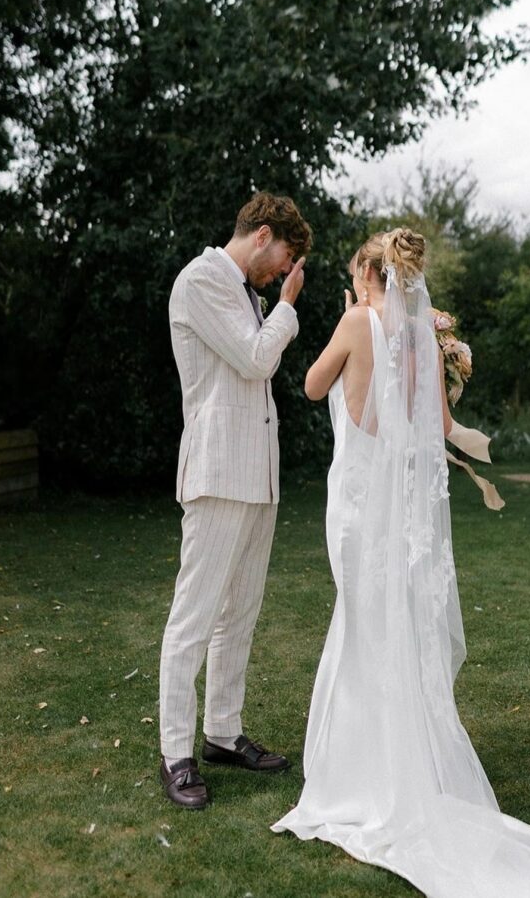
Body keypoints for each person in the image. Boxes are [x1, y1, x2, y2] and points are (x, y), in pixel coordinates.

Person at [272, 228, 530, 898]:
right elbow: (440, 422)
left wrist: (349, 314)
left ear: (366, 274)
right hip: (395, 503)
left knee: (365, 629)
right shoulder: (418, 337)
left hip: (358, 497)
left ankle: (365, 776)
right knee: (386, 624)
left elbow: (312, 388)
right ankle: (398, 763)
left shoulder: (357, 321)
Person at [159, 192, 311, 809]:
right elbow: (255, 359)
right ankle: (176, 754)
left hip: (258, 475)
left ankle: (222, 731)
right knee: (194, 617)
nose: (281, 271)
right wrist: (287, 308)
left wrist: (273, 305)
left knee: (240, 613)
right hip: (219, 473)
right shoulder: (202, 279)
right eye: (284, 258)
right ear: (262, 234)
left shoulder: (242, 289)